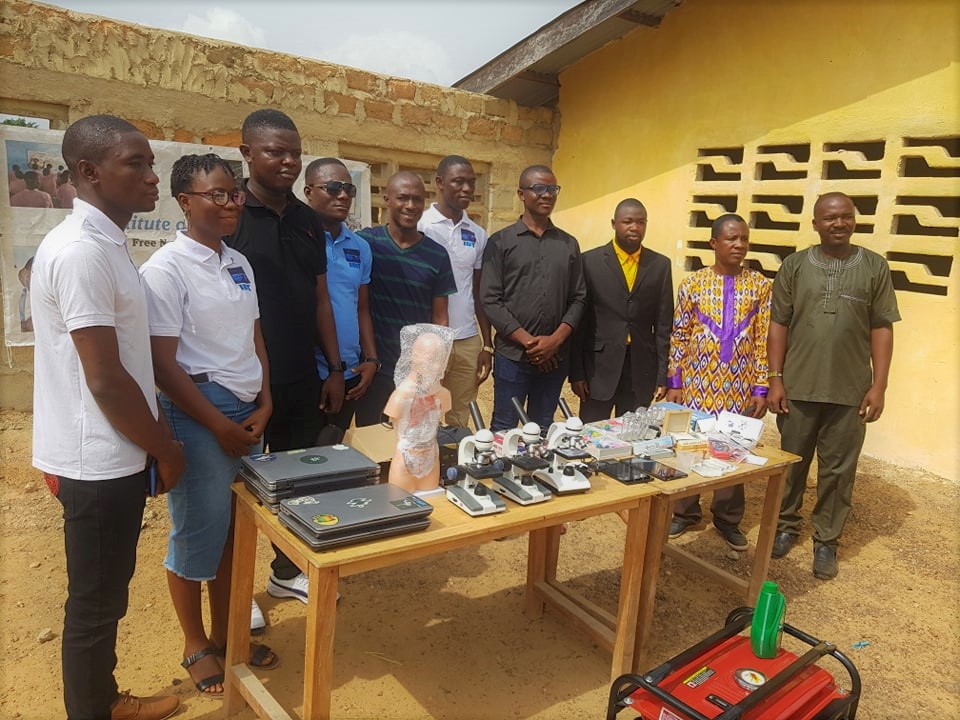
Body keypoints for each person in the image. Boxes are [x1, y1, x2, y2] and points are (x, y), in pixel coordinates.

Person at [30, 114, 184, 720]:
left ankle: (102, 701)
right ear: (89, 172)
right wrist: (166, 449)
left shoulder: (107, 245)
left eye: (152, 164)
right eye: (136, 164)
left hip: (114, 450)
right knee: (94, 605)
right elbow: (106, 379)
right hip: (96, 459)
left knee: (106, 596)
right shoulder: (79, 254)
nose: (152, 179)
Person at [140, 154, 278, 697]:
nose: (230, 204)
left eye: (235, 194)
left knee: (234, 533)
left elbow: (255, 337)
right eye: (216, 195)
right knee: (196, 532)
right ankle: (196, 645)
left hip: (248, 408)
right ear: (184, 202)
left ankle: (227, 634)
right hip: (199, 410)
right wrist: (218, 423)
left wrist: (265, 401)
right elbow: (162, 365)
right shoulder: (165, 270)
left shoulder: (238, 261)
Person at [230, 109, 343, 608]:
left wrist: (335, 367)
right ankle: (234, 589)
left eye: (295, 152)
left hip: (299, 375)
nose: (289, 162)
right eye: (275, 151)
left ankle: (285, 571)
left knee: (294, 481)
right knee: (237, 487)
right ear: (247, 153)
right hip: (243, 382)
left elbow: (321, 298)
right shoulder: (229, 214)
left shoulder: (306, 220)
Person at [768, 192, 900, 580]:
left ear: (854, 220)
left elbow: (882, 327)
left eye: (845, 217)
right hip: (798, 386)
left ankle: (827, 540)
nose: (838, 224)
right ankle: (786, 526)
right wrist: (775, 379)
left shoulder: (875, 267)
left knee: (839, 470)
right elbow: (779, 324)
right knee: (792, 465)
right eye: (829, 218)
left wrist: (879, 385)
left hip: (850, 390)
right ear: (815, 224)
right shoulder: (794, 266)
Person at [665, 213, 771, 551]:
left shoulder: (760, 286)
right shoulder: (693, 284)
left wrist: (760, 386)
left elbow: (763, 338)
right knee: (692, 444)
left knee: (733, 449)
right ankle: (685, 511)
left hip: (738, 386)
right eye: (731, 239)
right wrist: (675, 380)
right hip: (696, 383)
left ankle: (727, 518)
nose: (739, 245)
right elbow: (679, 335)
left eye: (743, 239)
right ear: (714, 243)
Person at [481, 165, 586, 431]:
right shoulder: (501, 242)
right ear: (521, 194)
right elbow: (490, 299)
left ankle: (536, 475)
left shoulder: (568, 244)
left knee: (542, 426)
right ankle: (500, 473)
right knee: (504, 426)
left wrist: (555, 340)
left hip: (555, 357)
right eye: (539, 188)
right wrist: (530, 343)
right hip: (513, 356)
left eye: (552, 189)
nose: (547, 195)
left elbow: (579, 298)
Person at [355, 171, 457, 426]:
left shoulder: (437, 255)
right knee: (372, 440)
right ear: (387, 200)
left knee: (412, 441)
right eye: (402, 198)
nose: (410, 206)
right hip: (372, 367)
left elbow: (440, 318)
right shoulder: (366, 243)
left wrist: (431, 371)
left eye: (417, 199)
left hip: (415, 373)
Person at [570, 198, 673, 422]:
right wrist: (576, 373)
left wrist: (661, 375)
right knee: (592, 435)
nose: (634, 227)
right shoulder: (590, 262)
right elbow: (580, 322)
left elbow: (664, 325)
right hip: (598, 369)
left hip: (640, 368)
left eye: (641, 222)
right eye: (627, 221)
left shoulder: (660, 265)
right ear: (614, 223)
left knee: (633, 438)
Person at [303, 157, 377, 443]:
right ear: (309, 192)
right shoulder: (298, 239)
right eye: (333, 187)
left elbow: (362, 308)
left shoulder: (360, 247)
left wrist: (371, 359)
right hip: (308, 375)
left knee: (335, 454)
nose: (343, 195)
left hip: (349, 374)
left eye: (349, 189)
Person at [418, 155, 493, 427]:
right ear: (439, 182)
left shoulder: (478, 234)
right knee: (424, 415)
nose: (467, 189)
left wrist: (486, 343)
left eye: (471, 183)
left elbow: (478, 291)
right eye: (458, 182)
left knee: (460, 416)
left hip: (466, 340)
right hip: (429, 340)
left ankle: (454, 468)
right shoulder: (421, 226)